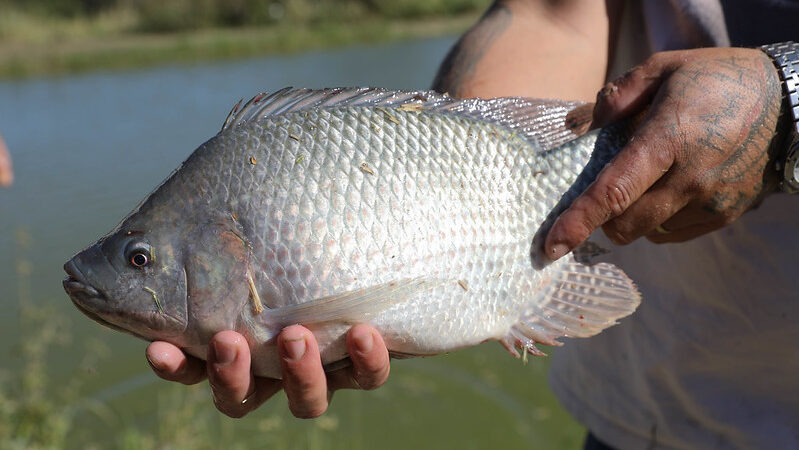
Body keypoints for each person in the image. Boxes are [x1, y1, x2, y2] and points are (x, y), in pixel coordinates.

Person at [147, 0, 799, 447]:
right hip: (655, 411)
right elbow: (554, 14)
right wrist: (454, 211)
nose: (136, 268)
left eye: (141, 259)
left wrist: (787, 101)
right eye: (139, 257)